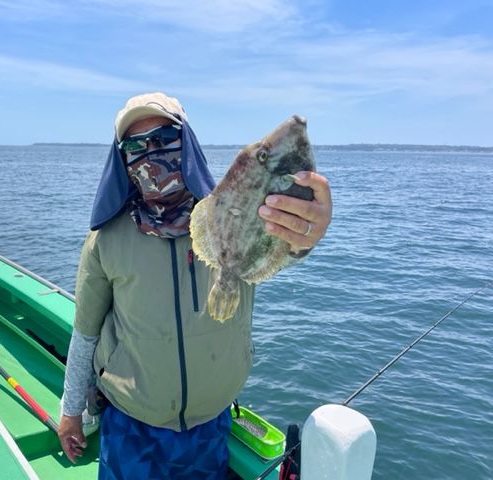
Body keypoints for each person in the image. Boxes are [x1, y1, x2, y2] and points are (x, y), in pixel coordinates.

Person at [58, 92, 332, 479]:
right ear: (121, 159)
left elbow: (284, 247)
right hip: (131, 423)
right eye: (135, 146)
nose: (150, 154)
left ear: (186, 143)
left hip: (211, 423)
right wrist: (70, 411)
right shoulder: (105, 240)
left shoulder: (236, 210)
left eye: (164, 138)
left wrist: (306, 235)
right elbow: (86, 332)